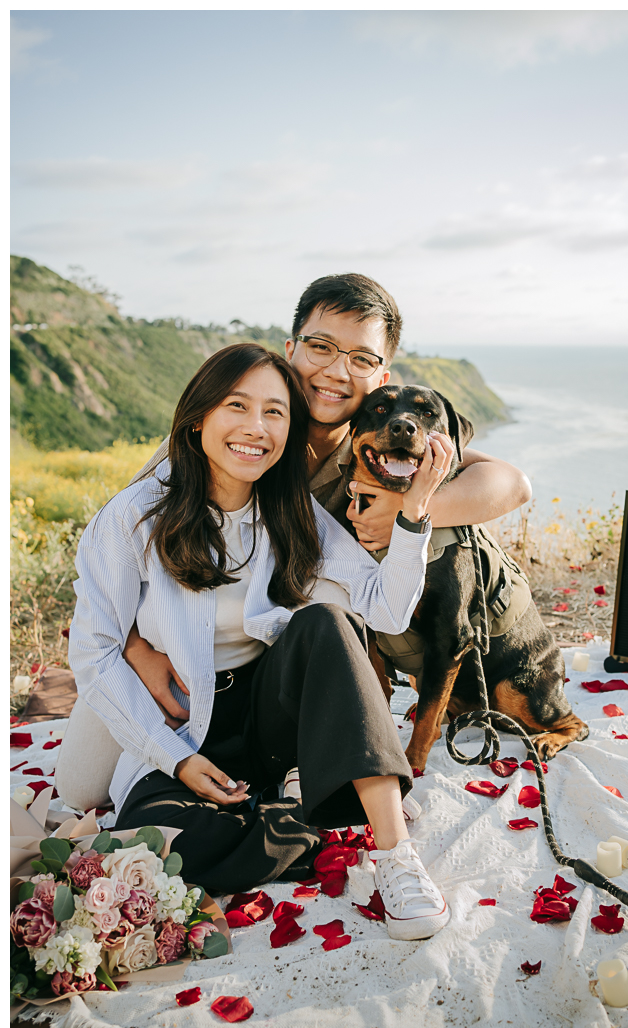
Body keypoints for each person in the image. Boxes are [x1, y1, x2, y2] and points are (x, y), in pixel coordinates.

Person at [69, 342, 456, 941]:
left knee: (327, 621)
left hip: (268, 714)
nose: (256, 428)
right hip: (181, 722)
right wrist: (176, 759)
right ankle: (307, 819)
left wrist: (415, 512)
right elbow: (95, 653)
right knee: (168, 851)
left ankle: (396, 853)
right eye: (237, 406)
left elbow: (384, 606)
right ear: (199, 417)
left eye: (275, 412)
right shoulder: (133, 518)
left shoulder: (290, 508)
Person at [122, 273, 532, 723]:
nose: (336, 372)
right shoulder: (237, 434)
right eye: (320, 347)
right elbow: (115, 542)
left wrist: (407, 508)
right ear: (290, 349)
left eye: (361, 359)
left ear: (381, 377)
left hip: (349, 637)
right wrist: (136, 648)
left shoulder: (376, 443)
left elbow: (513, 483)